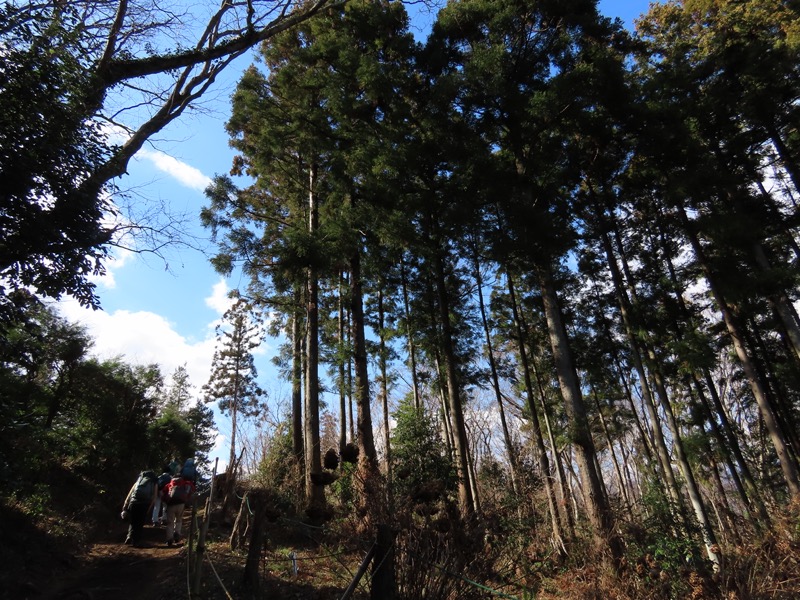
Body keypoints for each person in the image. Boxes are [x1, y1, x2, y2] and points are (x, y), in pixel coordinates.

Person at [122, 470, 158, 547]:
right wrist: (149, 509)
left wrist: (125, 504)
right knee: (140, 523)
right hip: (144, 504)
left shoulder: (138, 481)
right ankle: (136, 541)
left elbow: (130, 493)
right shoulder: (154, 483)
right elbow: (154, 498)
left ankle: (129, 536)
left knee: (133, 521)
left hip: (133, 503)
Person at [162, 473, 195, 546]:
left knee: (170, 522)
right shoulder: (185, 483)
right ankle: (177, 533)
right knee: (179, 520)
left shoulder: (169, 484)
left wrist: (166, 502)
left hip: (171, 505)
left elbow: (163, 494)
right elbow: (191, 491)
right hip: (181, 504)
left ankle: (169, 539)